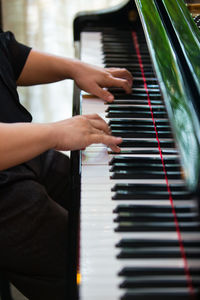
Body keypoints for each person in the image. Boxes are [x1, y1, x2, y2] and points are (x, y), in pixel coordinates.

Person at [0, 29, 133, 300]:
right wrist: (54, 133)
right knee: (92, 272)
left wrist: (74, 68)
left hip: (19, 145)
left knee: (108, 210)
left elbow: (6, 55)